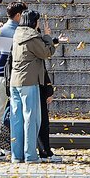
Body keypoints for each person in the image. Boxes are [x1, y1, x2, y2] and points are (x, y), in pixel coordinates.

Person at [11, 9, 62, 163]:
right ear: (33, 22)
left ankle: (16, 154)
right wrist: (47, 36)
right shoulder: (32, 37)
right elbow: (47, 52)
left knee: (17, 120)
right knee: (31, 119)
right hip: (29, 81)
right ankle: (30, 155)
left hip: (15, 81)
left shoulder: (17, 34)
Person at [0, 1, 26, 160]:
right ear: (18, 15)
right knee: (17, 114)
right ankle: (17, 149)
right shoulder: (21, 33)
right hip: (15, 77)